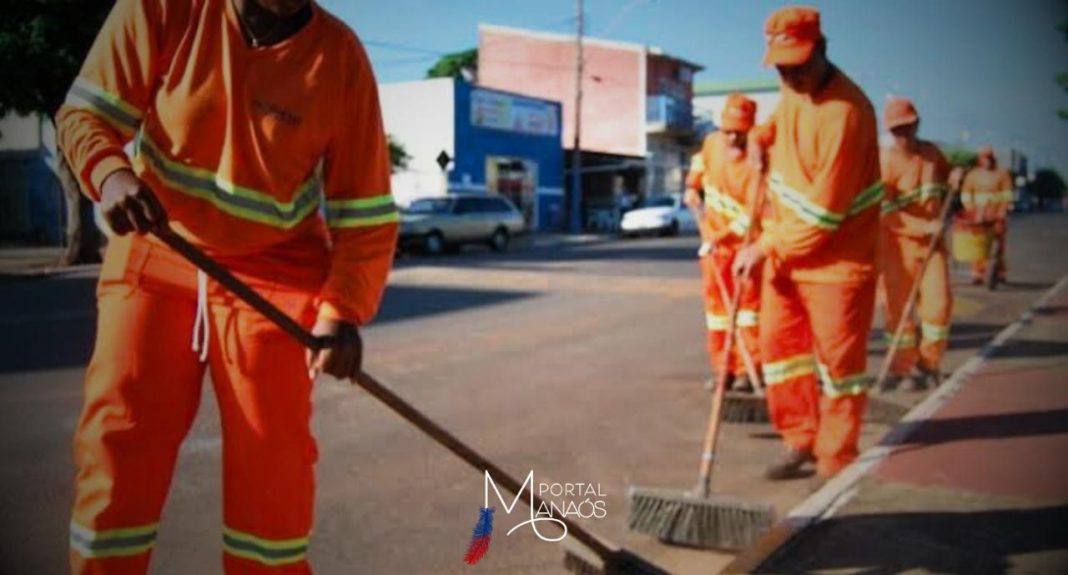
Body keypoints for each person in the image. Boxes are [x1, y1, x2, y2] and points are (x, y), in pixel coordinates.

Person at [57, 0, 398, 572]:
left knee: (273, 468)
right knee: (119, 444)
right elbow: (84, 117)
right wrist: (111, 175)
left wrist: (340, 313)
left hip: (276, 271)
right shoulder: (165, 9)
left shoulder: (341, 58)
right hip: (159, 245)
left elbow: (363, 211)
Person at [733, 6, 882, 481]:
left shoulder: (847, 113)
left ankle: (835, 461)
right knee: (782, 353)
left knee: (841, 368)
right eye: (782, 68)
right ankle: (799, 438)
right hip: (785, 254)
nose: (791, 77)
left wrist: (763, 246)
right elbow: (782, 116)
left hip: (837, 262)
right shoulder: (792, 85)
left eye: (799, 66)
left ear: (821, 50)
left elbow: (822, 218)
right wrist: (760, 135)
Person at [684, 94, 762, 392]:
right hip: (714, 250)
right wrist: (692, 188)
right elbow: (698, 170)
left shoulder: (757, 161)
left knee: (747, 312)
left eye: (738, 132)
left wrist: (718, 236)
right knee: (717, 314)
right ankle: (722, 369)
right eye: (727, 130)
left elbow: (753, 215)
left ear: (749, 129)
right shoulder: (711, 143)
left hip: (744, 247)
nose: (731, 137)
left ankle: (747, 370)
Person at [878, 98, 953, 391]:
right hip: (898, 247)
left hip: (933, 246)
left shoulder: (932, 153)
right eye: (897, 130)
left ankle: (928, 363)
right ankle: (903, 368)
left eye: (908, 128)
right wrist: (923, 226)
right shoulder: (885, 163)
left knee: (939, 308)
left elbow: (947, 177)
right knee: (898, 311)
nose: (903, 135)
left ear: (917, 124)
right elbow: (886, 214)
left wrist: (956, 175)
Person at [960, 146, 1014, 283]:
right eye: (984, 158)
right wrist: (970, 210)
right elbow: (966, 194)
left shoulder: (1002, 174)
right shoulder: (972, 175)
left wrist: (1002, 211)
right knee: (978, 243)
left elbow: (1007, 195)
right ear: (979, 159)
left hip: (996, 214)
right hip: (977, 214)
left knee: (998, 244)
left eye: (989, 158)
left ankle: (1000, 272)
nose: (987, 161)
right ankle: (978, 273)